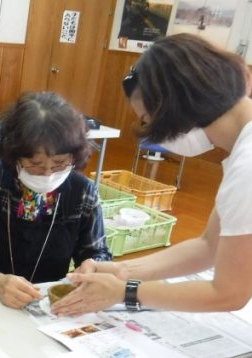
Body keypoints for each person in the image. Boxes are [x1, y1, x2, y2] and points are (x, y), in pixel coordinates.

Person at [52, 34, 252, 317]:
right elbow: (209, 245)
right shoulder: (242, 150)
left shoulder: (247, 166)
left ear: (177, 106)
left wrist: (125, 291)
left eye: (147, 119)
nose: (152, 132)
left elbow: (229, 293)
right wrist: (123, 271)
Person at [0, 91, 112, 309]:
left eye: (60, 163)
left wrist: (93, 266)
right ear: (14, 156)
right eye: (35, 165)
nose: (48, 174)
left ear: (74, 155)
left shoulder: (83, 193)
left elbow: (98, 252)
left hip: (48, 306)